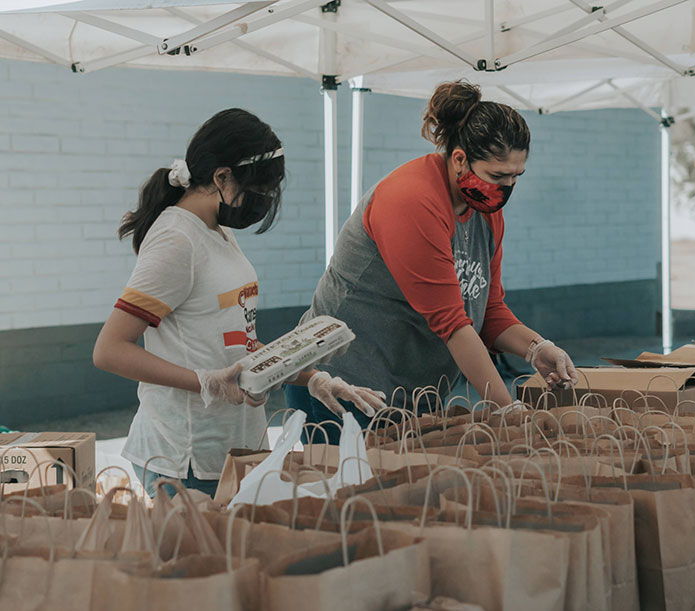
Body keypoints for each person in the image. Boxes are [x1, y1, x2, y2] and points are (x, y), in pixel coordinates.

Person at [93, 108, 385, 497]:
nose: (263, 202)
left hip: (234, 449)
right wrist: (206, 381)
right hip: (186, 458)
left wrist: (309, 375)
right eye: (259, 191)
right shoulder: (176, 240)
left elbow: (235, 345)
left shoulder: (217, 231)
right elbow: (109, 351)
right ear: (222, 177)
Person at [285, 80, 578, 443]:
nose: (506, 189)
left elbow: (487, 309)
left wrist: (537, 347)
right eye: (497, 176)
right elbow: (452, 323)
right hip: (343, 387)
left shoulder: (485, 211)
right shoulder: (411, 201)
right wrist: (508, 409)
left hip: (410, 394)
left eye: (516, 177)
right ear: (459, 159)